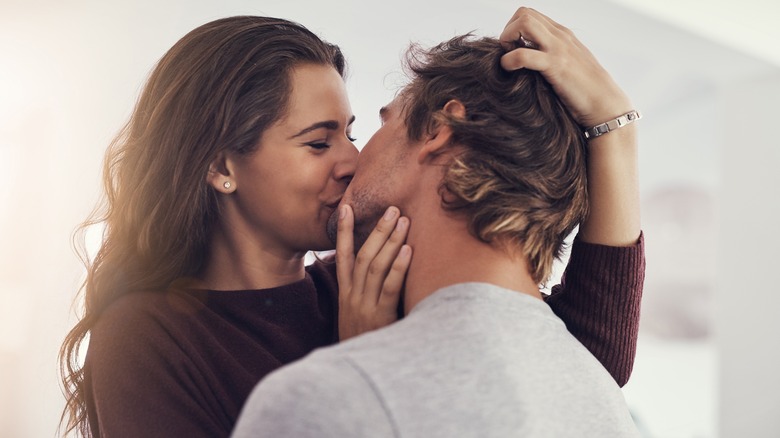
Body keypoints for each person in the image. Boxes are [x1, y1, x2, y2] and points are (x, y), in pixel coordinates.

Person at [59, 11, 643, 438]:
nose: (350, 160)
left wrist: (614, 133)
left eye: (351, 132)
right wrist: (363, 362)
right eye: (319, 142)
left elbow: (575, 355)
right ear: (220, 166)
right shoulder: (147, 336)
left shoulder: (366, 273)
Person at [232, 9, 642, 438]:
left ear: (439, 130)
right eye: (318, 142)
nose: (353, 161)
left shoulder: (321, 401)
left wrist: (363, 371)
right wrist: (615, 127)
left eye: (379, 124)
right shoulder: (598, 394)